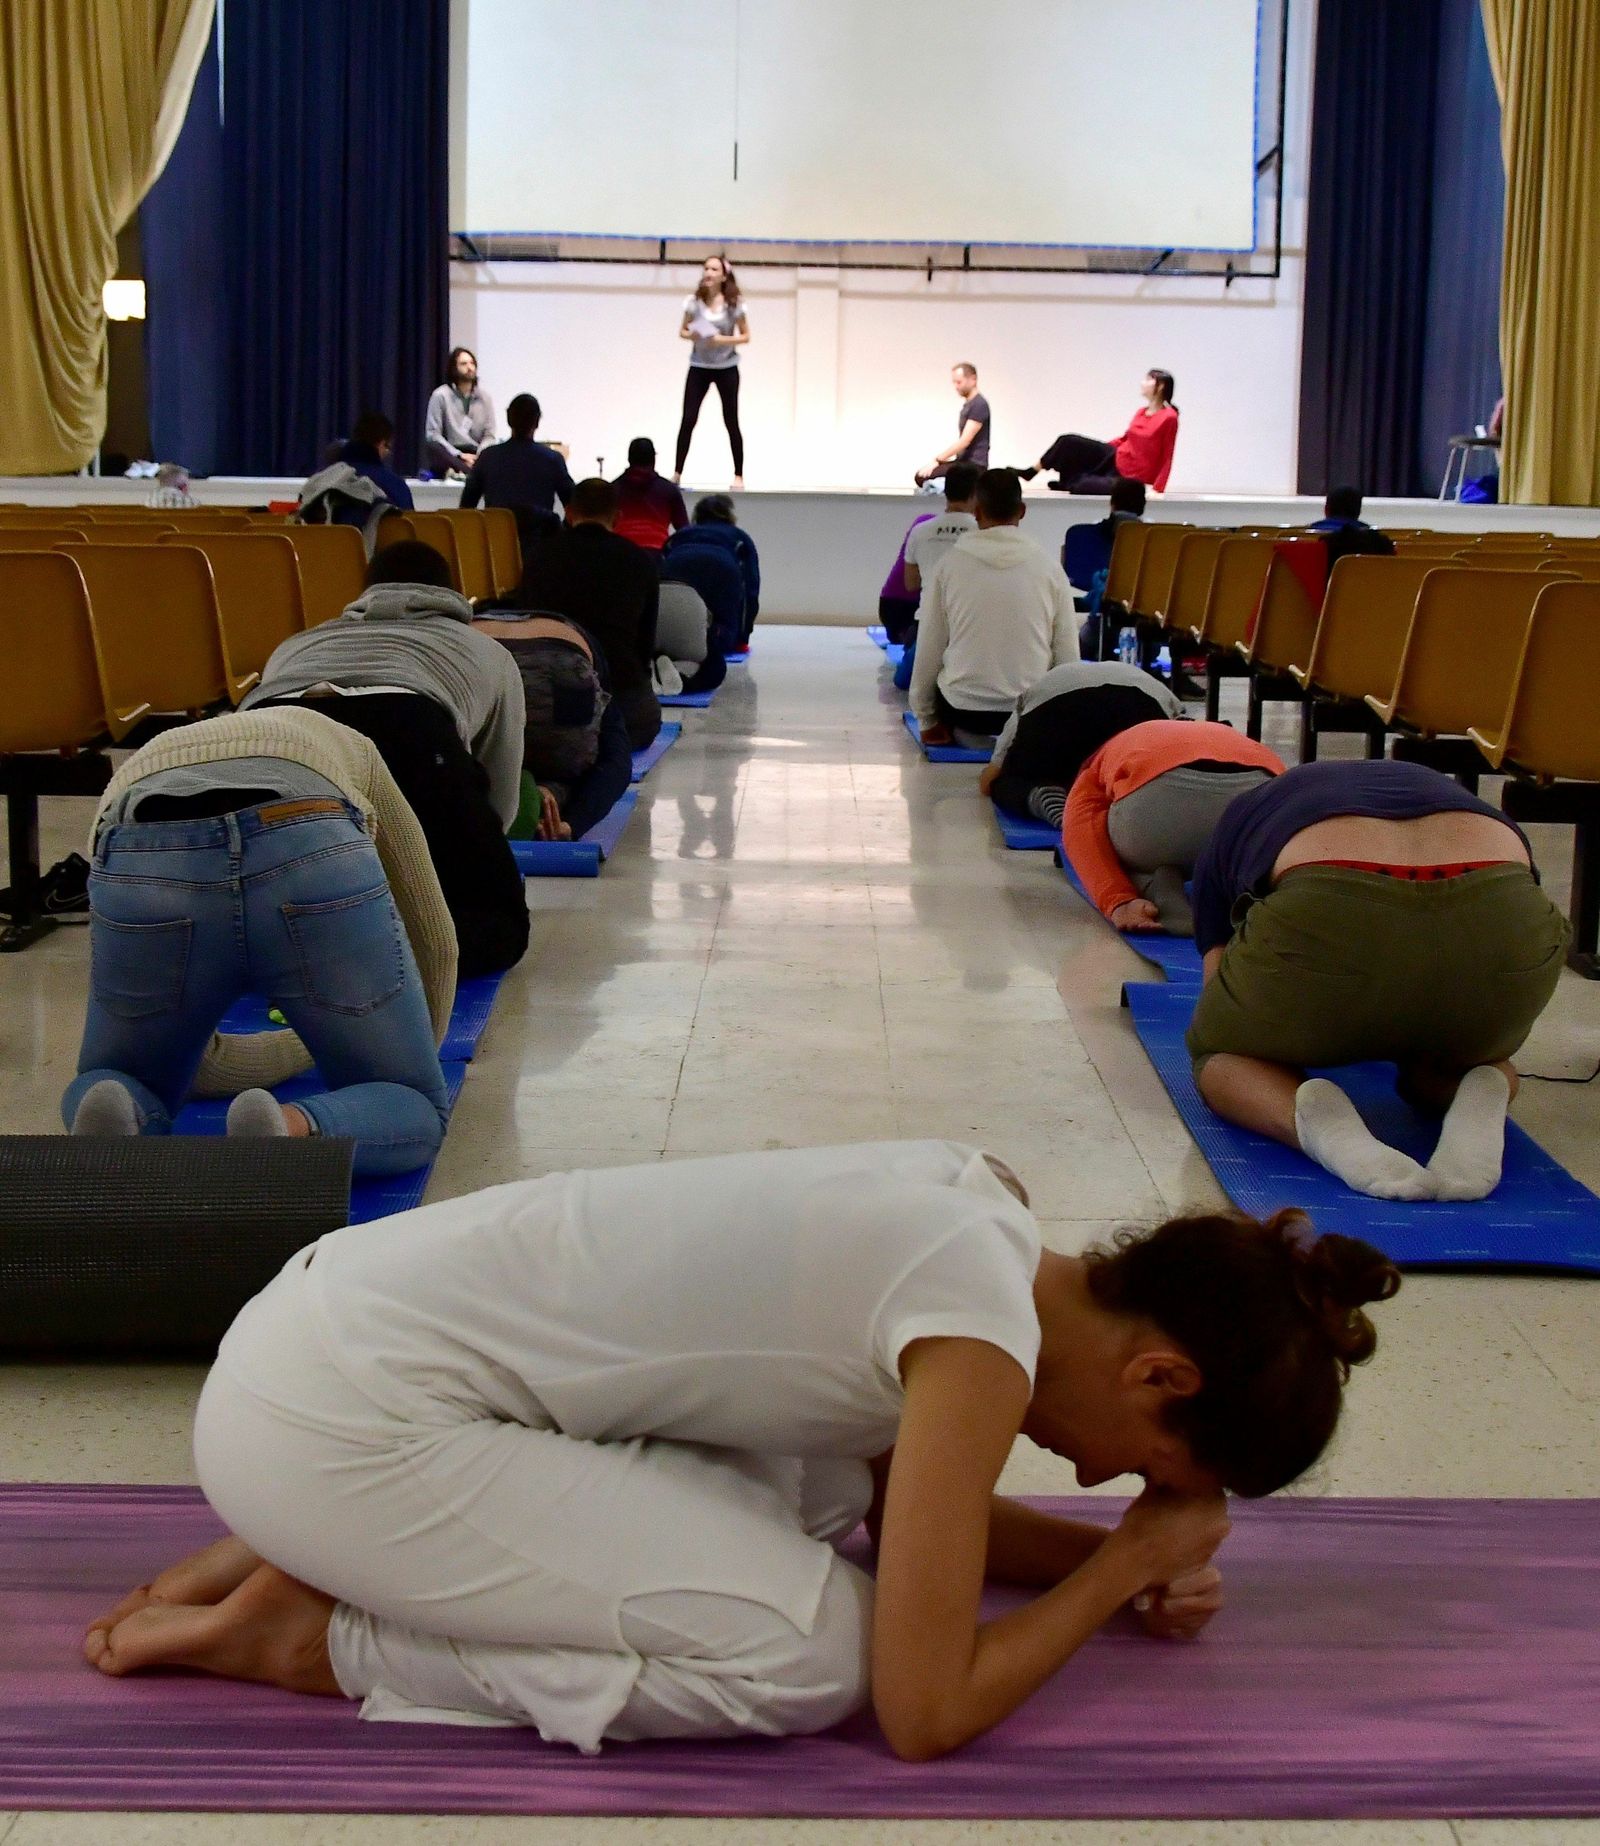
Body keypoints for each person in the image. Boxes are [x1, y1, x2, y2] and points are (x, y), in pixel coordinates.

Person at [83, 1139, 1399, 1760]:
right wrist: (1117, 1574)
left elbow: (911, 1528)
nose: (1102, 1483)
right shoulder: (978, 1345)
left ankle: (309, 1534)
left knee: (821, 1480)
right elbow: (921, 1705)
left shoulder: (978, 1203)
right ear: (1158, 1371)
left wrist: (1123, 1551)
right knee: (810, 1648)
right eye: (1141, 1466)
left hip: (340, 1325)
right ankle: (318, 1632)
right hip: (342, 1418)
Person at [62, 703, 454, 1177]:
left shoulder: (152, 753)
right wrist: (403, 1057)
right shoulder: (356, 748)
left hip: (141, 851)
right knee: (412, 1103)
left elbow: (202, 1065)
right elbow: (435, 934)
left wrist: (285, 1050)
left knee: (122, 1075)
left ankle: (120, 1105)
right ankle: (289, 1129)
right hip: (309, 838)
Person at [1187, 759, 1570, 1201]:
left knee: (1221, 1054)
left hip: (1333, 891)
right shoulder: (1443, 788)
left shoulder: (1242, 815)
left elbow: (1217, 983)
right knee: (1465, 1048)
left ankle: (1321, 1129)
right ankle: (1483, 1082)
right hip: (1501, 897)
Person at [242, 541, 529, 978]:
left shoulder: (298, 643)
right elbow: (499, 782)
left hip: (274, 727)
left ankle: (272, 949)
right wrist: (476, 850)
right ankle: (373, 961)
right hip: (408, 721)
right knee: (495, 926)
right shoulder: (484, 650)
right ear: (450, 592)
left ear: (365, 593)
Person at [1063, 721, 1285, 936]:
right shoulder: (1234, 736)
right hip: (1249, 818)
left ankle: (1153, 884)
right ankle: (1248, 890)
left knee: (1116, 848)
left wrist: (1117, 900)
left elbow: (1081, 828)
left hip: (1156, 822)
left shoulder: (1104, 756)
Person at [910, 469, 1077, 746]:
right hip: (1028, 713)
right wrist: (1060, 722)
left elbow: (930, 645)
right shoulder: (1049, 568)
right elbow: (1067, 651)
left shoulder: (949, 566)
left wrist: (926, 719)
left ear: (976, 512)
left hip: (965, 712)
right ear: (1022, 511)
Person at [517, 478, 661, 750]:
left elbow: (525, 621)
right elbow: (645, 644)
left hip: (548, 703)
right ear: (617, 518)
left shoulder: (538, 557)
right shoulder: (639, 561)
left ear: (569, 513)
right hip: (624, 703)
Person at [471, 613, 634, 843]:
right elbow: (615, 757)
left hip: (478, 657)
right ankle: (551, 799)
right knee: (573, 763)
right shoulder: (572, 631)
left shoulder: (471, 622)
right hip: (564, 663)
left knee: (473, 760)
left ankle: (532, 793)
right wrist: (573, 823)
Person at [979, 661, 1183, 829]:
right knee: (1153, 777)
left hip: (1056, 709)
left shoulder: (1043, 685)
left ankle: (1039, 795)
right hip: (1143, 702)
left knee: (1007, 782)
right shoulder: (1151, 683)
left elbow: (990, 778)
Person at [1020, 371, 1179, 496]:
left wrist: (1158, 488)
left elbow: (1167, 455)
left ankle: (1068, 482)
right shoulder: (1141, 412)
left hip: (1132, 475)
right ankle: (1033, 470)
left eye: (1148, 379)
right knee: (1069, 441)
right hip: (1117, 456)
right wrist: (1096, 449)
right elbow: (1125, 438)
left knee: (1081, 486)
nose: (1142, 383)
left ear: (1161, 386)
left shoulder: (1169, 417)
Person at [675, 255, 749, 486]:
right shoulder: (693, 302)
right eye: (706, 268)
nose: (708, 272)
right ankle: (677, 473)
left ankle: (738, 474)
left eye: (714, 269)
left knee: (731, 420)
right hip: (699, 365)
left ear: (723, 275)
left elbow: (746, 336)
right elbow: (682, 331)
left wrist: (721, 340)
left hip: (726, 367)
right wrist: (693, 334)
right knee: (688, 418)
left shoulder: (734, 305)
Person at [662, 494, 761, 648]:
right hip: (723, 567)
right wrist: (743, 637)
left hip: (678, 564)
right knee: (724, 630)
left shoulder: (679, 536)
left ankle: (675, 639)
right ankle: (718, 637)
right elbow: (750, 590)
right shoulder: (739, 537)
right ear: (729, 515)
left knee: (680, 616)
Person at [1063, 479, 1148, 658]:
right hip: (1145, 638)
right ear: (1142, 506)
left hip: (1096, 632)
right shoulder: (1158, 543)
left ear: (1112, 503)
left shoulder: (1085, 537)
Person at [461, 394, 574, 519]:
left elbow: (466, 508)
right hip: (540, 536)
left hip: (497, 535)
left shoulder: (487, 457)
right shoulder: (552, 459)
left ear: (508, 418)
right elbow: (573, 506)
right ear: (537, 421)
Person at [914, 364, 991, 487]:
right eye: (954, 382)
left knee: (922, 477)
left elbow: (964, 441)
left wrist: (937, 460)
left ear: (973, 379)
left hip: (974, 466)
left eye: (959, 382)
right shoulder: (970, 405)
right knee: (921, 475)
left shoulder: (979, 405)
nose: (956, 387)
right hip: (963, 463)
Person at [424, 348, 496, 477]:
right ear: (454, 368)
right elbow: (433, 434)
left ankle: (466, 471)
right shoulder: (440, 395)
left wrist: (479, 455)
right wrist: (460, 455)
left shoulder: (485, 398)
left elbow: (489, 434)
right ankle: (465, 470)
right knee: (434, 447)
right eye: (464, 364)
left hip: (477, 452)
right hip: (451, 452)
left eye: (472, 363)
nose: (469, 368)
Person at [613, 438, 689, 552]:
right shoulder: (669, 490)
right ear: (654, 459)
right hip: (657, 552)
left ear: (629, 459)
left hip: (620, 551)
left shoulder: (612, 489)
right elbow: (684, 530)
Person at [655, 578, 727, 697]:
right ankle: (685, 682)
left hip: (652, 608)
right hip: (691, 605)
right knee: (716, 666)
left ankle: (654, 666)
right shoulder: (697, 590)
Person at [336, 412, 415, 512]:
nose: (388, 454)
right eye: (388, 447)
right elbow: (407, 524)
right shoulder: (396, 486)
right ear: (382, 443)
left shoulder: (324, 480)